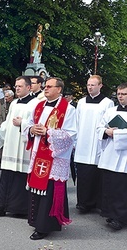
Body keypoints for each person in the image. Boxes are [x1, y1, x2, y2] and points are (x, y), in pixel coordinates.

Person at [24, 77, 77, 240]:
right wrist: (32, 129)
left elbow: (71, 134)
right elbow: (28, 124)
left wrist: (47, 132)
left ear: (59, 89)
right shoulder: (38, 106)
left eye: (49, 86)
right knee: (38, 189)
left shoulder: (68, 109)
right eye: (45, 86)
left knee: (49, 190)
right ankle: (36, 221)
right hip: (38, 154)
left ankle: (45, 226)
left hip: (54, 157)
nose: (45, 89)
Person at [0, 76, 39, 217]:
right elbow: (7, 123)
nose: (16, 88)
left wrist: (22, 123)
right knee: (7, 176)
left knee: (20, 178)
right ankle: (1, 207)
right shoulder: (14, 103)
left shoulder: (36, 104)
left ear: (28, 88)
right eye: (16, 86)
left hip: (24, 146)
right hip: (11, 144)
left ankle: (20, 209)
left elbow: (35, 123)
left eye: (20, 86)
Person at [74, 75, 114, 214]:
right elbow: (76, 122)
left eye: (93, 85)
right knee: (84, 174)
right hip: (83, 142)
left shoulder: (107, 103)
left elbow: (108, 122)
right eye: (88, 85)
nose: (90, 87)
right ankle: (83, 203)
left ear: (100, 86)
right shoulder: (81, 102)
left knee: (97, 174)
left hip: (98, 142)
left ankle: (97, 203)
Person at [96, 83, 127, 230]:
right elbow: (99, 127)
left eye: (124, 94)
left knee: (121, 188)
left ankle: (120, 218)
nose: (120, 97)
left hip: (124, 157)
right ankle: (109, 213)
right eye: (119, 94)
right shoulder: (111, 111)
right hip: (110, 154)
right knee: (109, 186)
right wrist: (106, 132)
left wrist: (116, 133)